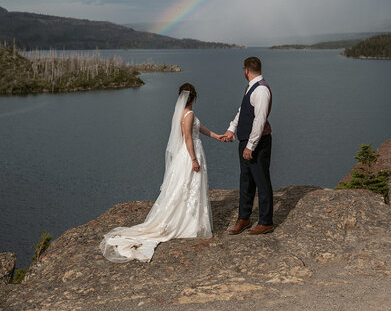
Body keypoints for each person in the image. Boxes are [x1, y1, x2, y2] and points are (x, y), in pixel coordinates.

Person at [100, 83, 222, 263]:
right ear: (194, 97)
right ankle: (189, 224)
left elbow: (199, 129)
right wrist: (194, 159)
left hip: (186, 153)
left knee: (184, 188)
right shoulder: (189, 114)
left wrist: (217, 136)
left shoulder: (183, 114)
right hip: (190, 153)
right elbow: (188, 137)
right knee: (189, 186)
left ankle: (191, 220)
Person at [220, 56, 273, 235]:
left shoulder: (261, 91)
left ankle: (266, 222)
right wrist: (231, 129)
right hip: (245, 141)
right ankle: (244, 218)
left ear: (246, 71)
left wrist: (250, 146)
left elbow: (259, 121)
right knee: (246, 181)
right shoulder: (252, 87)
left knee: (261, 181)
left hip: (257, 144)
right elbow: (242, 111)